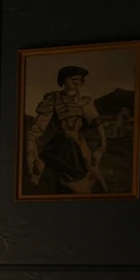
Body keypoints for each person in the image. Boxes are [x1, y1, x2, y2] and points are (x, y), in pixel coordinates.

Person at [25, 65, 107, 195]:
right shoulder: (53, 99)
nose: (76, 82)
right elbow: (38, 127)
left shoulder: (85, 101)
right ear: (63, 80)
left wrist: (102, 146)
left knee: (94, 177)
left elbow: (97, 122)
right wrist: (31, 148)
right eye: (72, 79)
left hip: (80, 144)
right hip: (61, 145)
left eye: (79, 80)